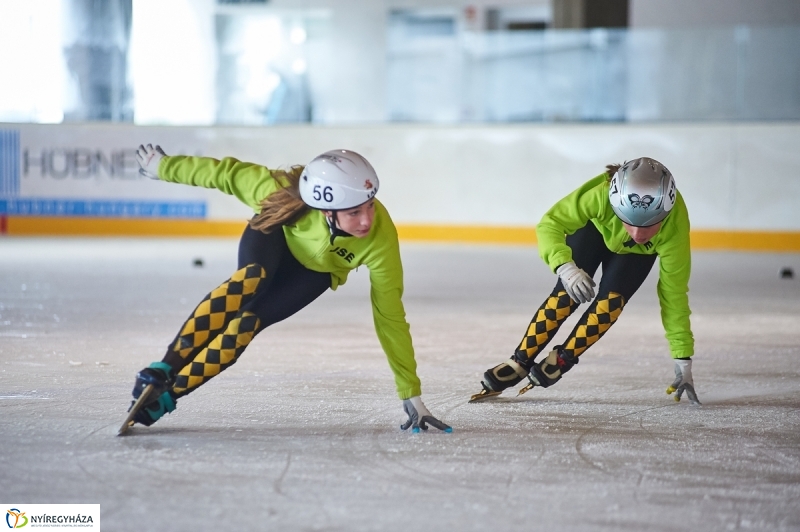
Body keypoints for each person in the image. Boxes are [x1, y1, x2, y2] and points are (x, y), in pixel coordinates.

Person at [126, 144, 452, 433]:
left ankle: (168, 396)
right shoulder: (277, 191)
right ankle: (164, 367)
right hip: (273, 235)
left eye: (369, 204)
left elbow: (389, 315)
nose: (367, 220)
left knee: (245, 326)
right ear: (326, 210)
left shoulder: (381, 240)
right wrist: (162, 166)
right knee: (250, 279)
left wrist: (410, 392)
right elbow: (223, 173)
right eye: (354, 212)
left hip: (315, 273)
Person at [469, 157, 700, 405]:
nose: (637, 233)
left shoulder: (675, 226)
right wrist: (565, 267)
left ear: (666, 214)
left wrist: (682, 358)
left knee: (609, 305)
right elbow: (550, 224)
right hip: (594, 231)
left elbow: (673, 294)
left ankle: (563, 359)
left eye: (650, 225)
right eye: (628, 220)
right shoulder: (599, 196)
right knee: (566, 296)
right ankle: (519, 361)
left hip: (634, 256)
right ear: (615, 203)